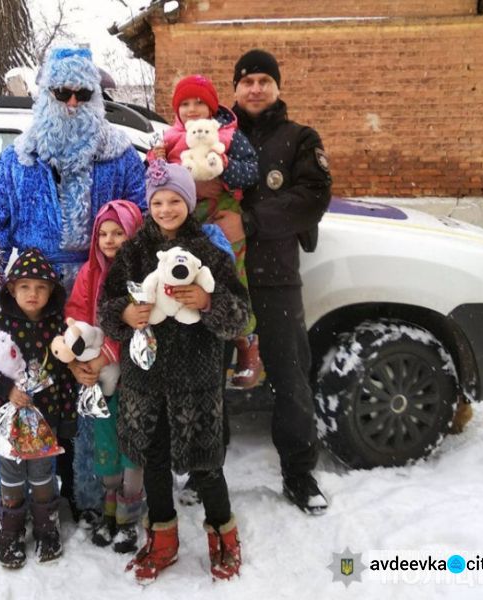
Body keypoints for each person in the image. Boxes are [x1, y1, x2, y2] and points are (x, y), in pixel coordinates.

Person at [0, 46, 147, 527]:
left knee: (92, 394)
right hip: (34, 296)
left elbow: (143, 220)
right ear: (45, 94)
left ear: (95, 96)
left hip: (96, 292)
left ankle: (91, 493)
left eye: (82, 93)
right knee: (23, 387)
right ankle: (3, 493)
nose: (71, 103)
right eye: (61, 92)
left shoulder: (120, 156)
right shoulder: (18, 160)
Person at [99, 162, 250, 583]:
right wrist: (125, 313)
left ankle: (225, 536)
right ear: (149, 206)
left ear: (188, 202)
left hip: (196, 385)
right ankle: (162, 539)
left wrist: (206, 301)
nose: (166, 209)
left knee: (207, 465)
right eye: (158, 202)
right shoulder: (132, 254)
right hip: (145, 385)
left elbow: (239, 315)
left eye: (175, 201)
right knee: (155, 463)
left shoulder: (210, 253)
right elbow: (106, 306)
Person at [213, 48, 333, 515]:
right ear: (236, 89)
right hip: (217, 280)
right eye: (247, 81)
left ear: (278, 87)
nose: (256, 88)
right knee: (209, 378)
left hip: (276, 277)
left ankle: (299, 474)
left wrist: (250, 221)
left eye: (265, 80)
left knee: (290, 375)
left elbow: (313, 197)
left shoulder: (300, 138)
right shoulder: (217, 136)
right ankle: (207, 466)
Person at [149, 74, 261, 390]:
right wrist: (156, 162)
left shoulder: (228, 134)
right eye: (185, 103)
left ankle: (246, 342)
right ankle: (191, 335)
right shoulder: (168, 137)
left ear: (212, 108)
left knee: (233, 278)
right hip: (185, 217)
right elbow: (154, 179)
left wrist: (223, 165)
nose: (193, 109)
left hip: (224, 212)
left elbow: (251, 172)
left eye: (200, 102)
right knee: (189, 277)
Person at [0, 248, 77, 568]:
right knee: (12, 474)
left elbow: (66, 378)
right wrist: (6, 389)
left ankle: (47, 528)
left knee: (43, 474)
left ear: (51, 292)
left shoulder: (58, 328)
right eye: (25, 286)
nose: (33, 294)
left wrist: (68, 420)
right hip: (9, 421)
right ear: (12, 290)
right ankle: (11, 531)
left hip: (46, 420)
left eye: (41, 287)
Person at [65, 199, 145, 554]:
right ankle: (109, 510)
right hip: (98, 375)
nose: (110, 240)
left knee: (132, 445)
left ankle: (129, 517)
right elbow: (77, 313)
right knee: (106, 441)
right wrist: (78, 355)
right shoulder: (89, 273)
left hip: (134, 373)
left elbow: (141, 323)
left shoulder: (140, 275)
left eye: (119, 233)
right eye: (104, 234)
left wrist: (109, 354)